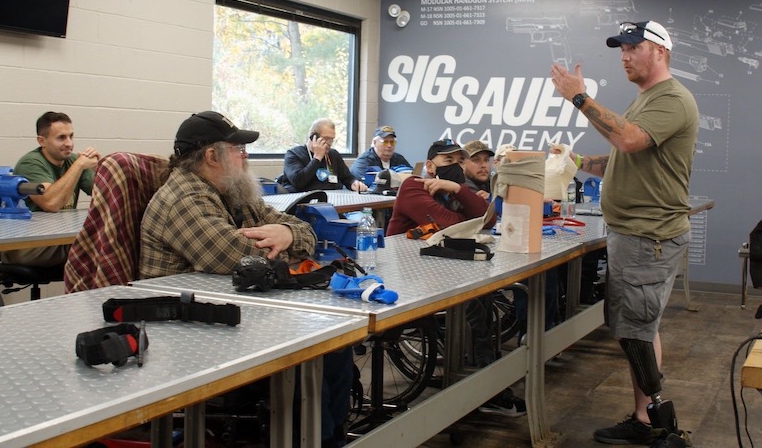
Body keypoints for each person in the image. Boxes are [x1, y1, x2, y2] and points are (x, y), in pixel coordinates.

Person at [139, 110, 349, 447]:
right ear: (211, 155)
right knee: (305, 357)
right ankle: (312, 440)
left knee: (335, 346)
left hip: (230, 309)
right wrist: (286, 243)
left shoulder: (232, 190)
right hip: (186, 329)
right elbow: (239, 257)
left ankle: (330, 437)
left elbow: (303, 230)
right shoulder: (182, 198)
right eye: (237, 149)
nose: (244, 156)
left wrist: (285, 233)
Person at [550, 20, 698, 448]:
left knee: (634, 331)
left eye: (634, 47)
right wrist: (575, 161)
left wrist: (579, 97)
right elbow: (620, 159)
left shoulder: (672, 99)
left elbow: (629, 142)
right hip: (632, 233)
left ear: (660, 52)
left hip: (647, 235)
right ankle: (642, 416)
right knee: (640, 327)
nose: (625, 55)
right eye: (621, 49)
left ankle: (662, 424)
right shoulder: (647, 99)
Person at [386, 139, 523, 415]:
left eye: (459, 162)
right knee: (472, 304)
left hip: (437, 268)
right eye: (448, 162)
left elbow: (486, 220)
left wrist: (458, 189)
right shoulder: (413, 186)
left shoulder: (449, 191)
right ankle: (486, 385)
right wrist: (460, 193)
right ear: (429, 166)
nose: (456, 167)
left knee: (482, 294)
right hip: (406, 276)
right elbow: (451, 224)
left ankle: (483, 371)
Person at [3, 111, 99, 267]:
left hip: (59, 239)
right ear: (42, 141)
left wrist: (99, 168)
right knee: (100, 250)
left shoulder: (73, 161)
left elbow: (104, 192)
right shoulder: (30, 164)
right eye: (61, 138)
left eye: (71, 136)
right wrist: (80, 165)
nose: (69, 143)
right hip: (29, 245)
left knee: (112, 241)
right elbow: (51, 203)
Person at [278, 118, 367, 193]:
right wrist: (317, 158)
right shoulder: (293, 154)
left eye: (332, 140)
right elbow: (299, 182)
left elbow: (347, 178)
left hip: (332, 200)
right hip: (303, 203)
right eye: (326, 139)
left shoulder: (333, 155)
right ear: (313, 136)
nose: (329, 143)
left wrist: (353, 183)